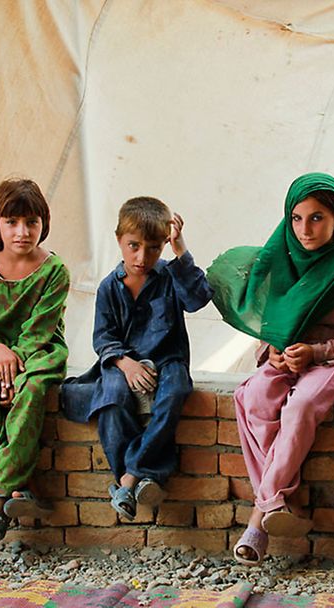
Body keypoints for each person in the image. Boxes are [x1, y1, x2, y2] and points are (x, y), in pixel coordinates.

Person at [208, 172, 334, 565]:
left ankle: (259, 518)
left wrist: (316, 352)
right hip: (292, 355)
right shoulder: (285, 258)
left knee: (300, 407)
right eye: (297, 218)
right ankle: (278, 502)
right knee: (252, 397)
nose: (305, 229)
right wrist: (271, 352)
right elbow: (274, 320)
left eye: (317, 218)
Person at [61, 197, 213, 521]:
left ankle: (127, 480)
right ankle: (142, 476)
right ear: (119, 239)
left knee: (173, 393)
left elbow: (198, 298)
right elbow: (103, 337)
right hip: (121, 362)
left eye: (154, 248)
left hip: (168, 360)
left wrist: (181, 251)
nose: (142, 257)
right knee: (112, 399)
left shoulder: (171, 278)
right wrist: (125, 363)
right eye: (133, 246)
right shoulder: (108, 288)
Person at [0, 178, 69, 541]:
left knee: (32, 389)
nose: (22, 232)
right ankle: (14, 489)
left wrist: (14, 365)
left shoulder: (54, 271)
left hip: (37, 353)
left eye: (32, 222)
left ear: (43, 224)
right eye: (12, 222)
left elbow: (40, 329)